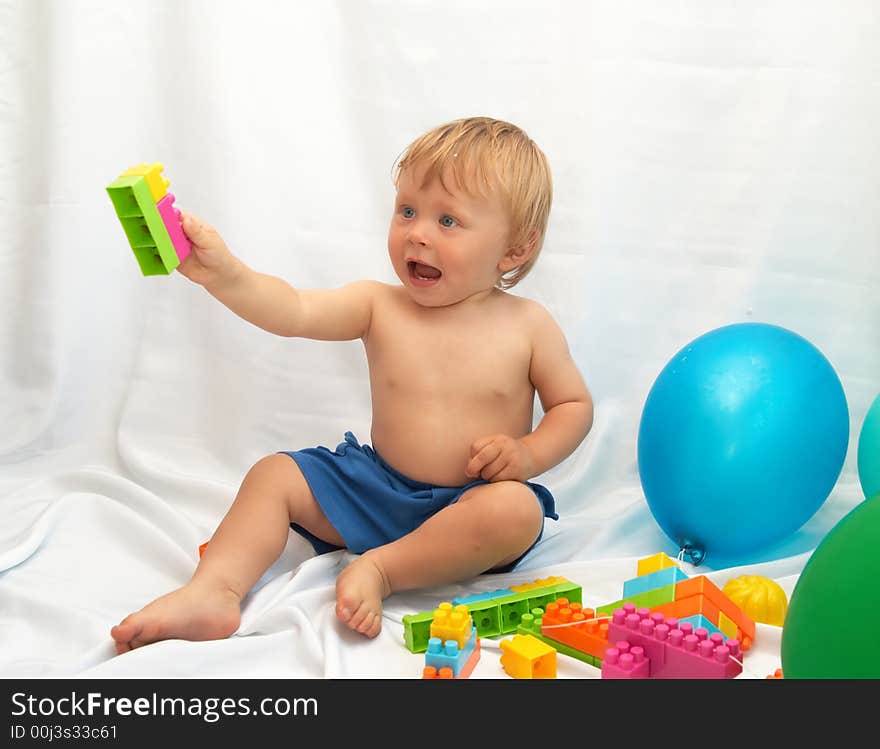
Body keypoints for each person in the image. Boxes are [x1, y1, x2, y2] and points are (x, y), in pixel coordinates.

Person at [110, 116, 593, 652]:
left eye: (448, 221)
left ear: (513, 250)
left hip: (469, 510)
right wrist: (225, 274)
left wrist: (527, 456)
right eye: (407, 210)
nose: (418, 232)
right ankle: (214, 590)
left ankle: (383, 570)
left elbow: (572, 405)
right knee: (275, 476)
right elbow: (292, 309)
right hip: (375, 493)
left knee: (516, 510)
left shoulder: (527, 326)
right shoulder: (378, 305)